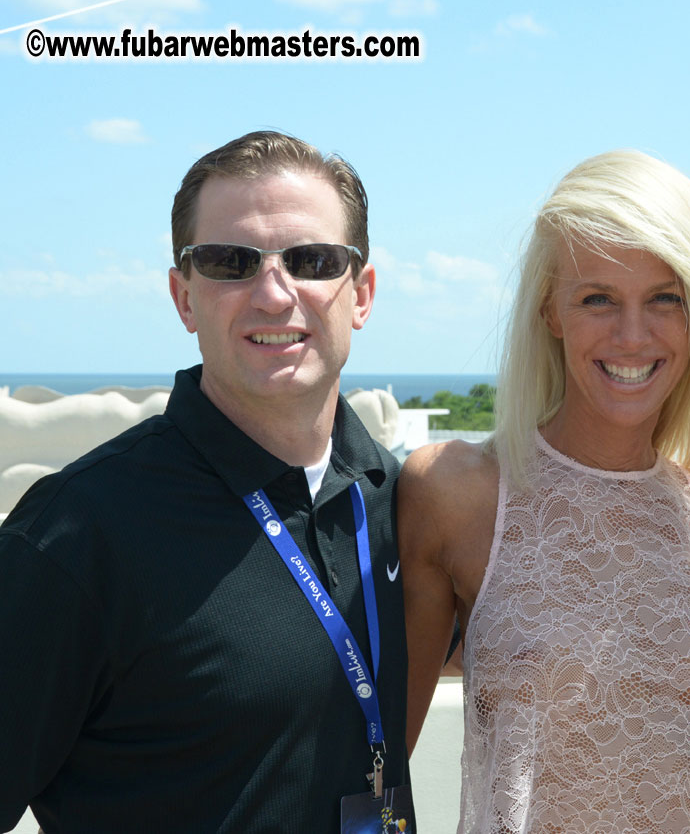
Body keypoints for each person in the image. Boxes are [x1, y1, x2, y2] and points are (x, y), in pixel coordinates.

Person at [0, 131, 411, 832]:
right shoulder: (78, 530)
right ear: (183, 296)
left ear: (361, 293)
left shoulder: (399, 498)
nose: (274, 293)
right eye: (229, 261)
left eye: (312, 260)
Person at [399, 149, 690, 832]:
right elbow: (370, 756)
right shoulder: (456, 496)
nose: (631, 334)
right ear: (550, 309)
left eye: (664, 297)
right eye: (597, 298)